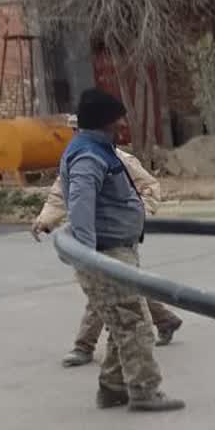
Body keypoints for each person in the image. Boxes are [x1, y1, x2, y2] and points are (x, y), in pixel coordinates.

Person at [51, 88, 184, 413]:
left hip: (116, 251)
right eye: (119, 118)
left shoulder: (99, 149)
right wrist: (90, 258)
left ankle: (113, 388)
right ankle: (144, 391)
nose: (123, 124)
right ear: (106, 121)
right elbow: (81, 206)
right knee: (135, 325)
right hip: (106, 254)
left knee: (123, 323)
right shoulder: (88, 157)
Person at [33, 138, 182, 366]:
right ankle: (165, 319)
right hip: (93, 233)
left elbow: (149, 188)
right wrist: (45, 220)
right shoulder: (78, 158)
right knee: (122, 287)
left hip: (119, 235)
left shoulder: (118, 159)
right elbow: (61, 194)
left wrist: (132, 217)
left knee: (103, 290)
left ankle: (84, 346)